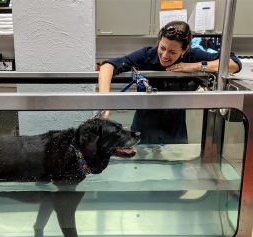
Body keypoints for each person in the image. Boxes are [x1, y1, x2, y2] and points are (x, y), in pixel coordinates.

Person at [98, 20, 242, 144]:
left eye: (172, 52)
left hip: (175, 130)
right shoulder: (147, 55)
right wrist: (105, 102)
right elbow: (108, 66)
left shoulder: (191, 57)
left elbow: (234, 63)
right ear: (158, 42)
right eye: (162, 48)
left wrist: (194, 66)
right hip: (143, 128)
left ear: (184, 50)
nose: (165, 55)